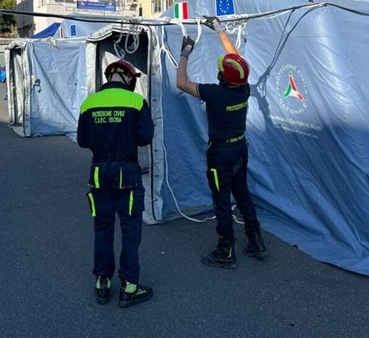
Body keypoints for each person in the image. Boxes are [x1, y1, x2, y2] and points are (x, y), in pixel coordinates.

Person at [176, 16, 266, 269]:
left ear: (222, 76)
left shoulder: (216, 93)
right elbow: (238, 62)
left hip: (220, 154)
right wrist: (220, 31)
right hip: (240, 149)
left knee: (222, 202)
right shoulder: (242, 88)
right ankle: (256, 242)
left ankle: (225, 251)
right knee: (243, 194)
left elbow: (181, 82)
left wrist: (185, 53)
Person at [77, 59, 155, 307]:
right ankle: (130, 286)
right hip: (127, 173)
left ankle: (103, 282)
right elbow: (145, 138)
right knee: (130, 231)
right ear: (129, 79)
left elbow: (82, 140)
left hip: (99, 173)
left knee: (102, 228)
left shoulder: (89, 103)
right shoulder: (136, 102)